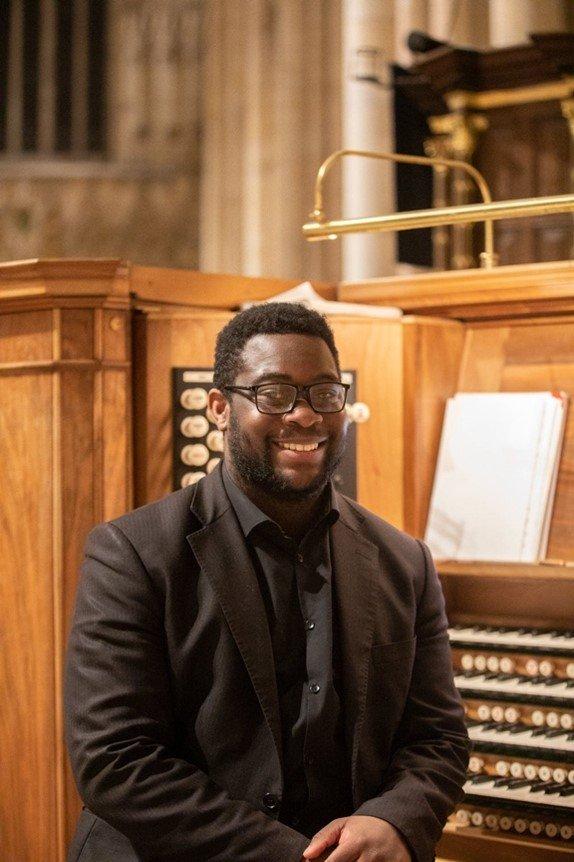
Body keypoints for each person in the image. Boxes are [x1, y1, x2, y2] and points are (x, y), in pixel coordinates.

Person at [65, 302, 469, 862]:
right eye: (274, 394)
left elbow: (437, 740)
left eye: (324, 394)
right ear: (219, 408)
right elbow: (115, 759)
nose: (304, 416)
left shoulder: (405, 561)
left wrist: (394, 821)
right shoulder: (131, 553)